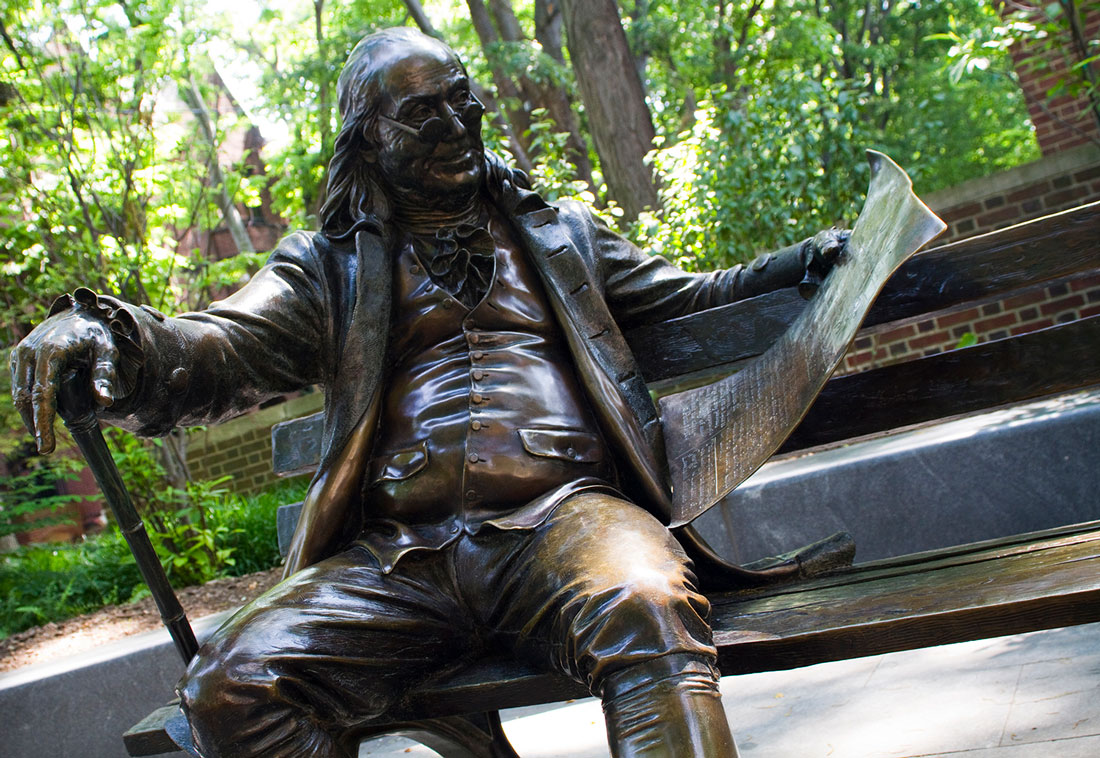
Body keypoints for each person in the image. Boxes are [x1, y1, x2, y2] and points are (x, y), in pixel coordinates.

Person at [10, 27, 849, 758]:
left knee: (644, 602)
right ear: (367, 139)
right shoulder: (329, 268)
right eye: (423, 112)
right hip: (399, 561)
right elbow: (219, 344)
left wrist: (799, 264)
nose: (455, 125)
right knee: (232, 684)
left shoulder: (558, 234)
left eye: (463, 100)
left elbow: (694, 298)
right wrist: (105, 333)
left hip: (565, 521)